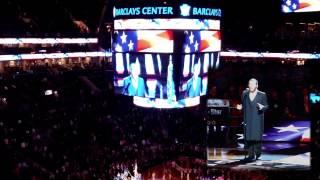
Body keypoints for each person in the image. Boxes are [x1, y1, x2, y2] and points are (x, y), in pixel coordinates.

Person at [236, 78, 268, 161]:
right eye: (249, 84)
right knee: (249, 137)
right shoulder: (245, 94)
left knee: (257, 138)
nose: (250, 86)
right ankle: (250, 155)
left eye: (253, 84)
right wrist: (240, 107)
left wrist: (262, 107)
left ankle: (258, 153)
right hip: (248, 119)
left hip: (257, 119)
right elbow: (243, 104)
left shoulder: (262, 95)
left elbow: (266, 106)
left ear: (257, 85)